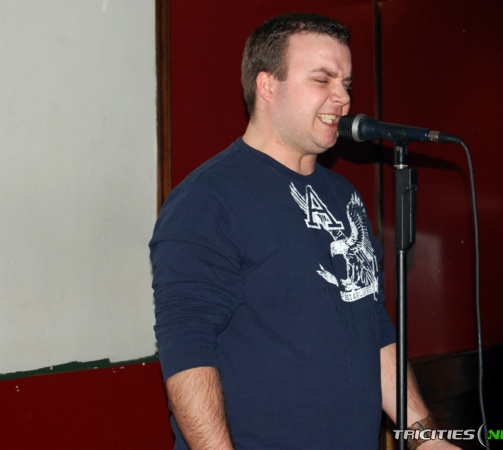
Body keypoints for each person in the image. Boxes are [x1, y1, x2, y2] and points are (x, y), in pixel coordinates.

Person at [150, 13, 460, 450]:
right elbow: (187, 348)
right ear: (267, 85)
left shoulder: (343, 194)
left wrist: (426, 437)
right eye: (322, 79)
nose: (343, 98)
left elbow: (374, 326)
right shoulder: (208, 199)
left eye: (346, 83)